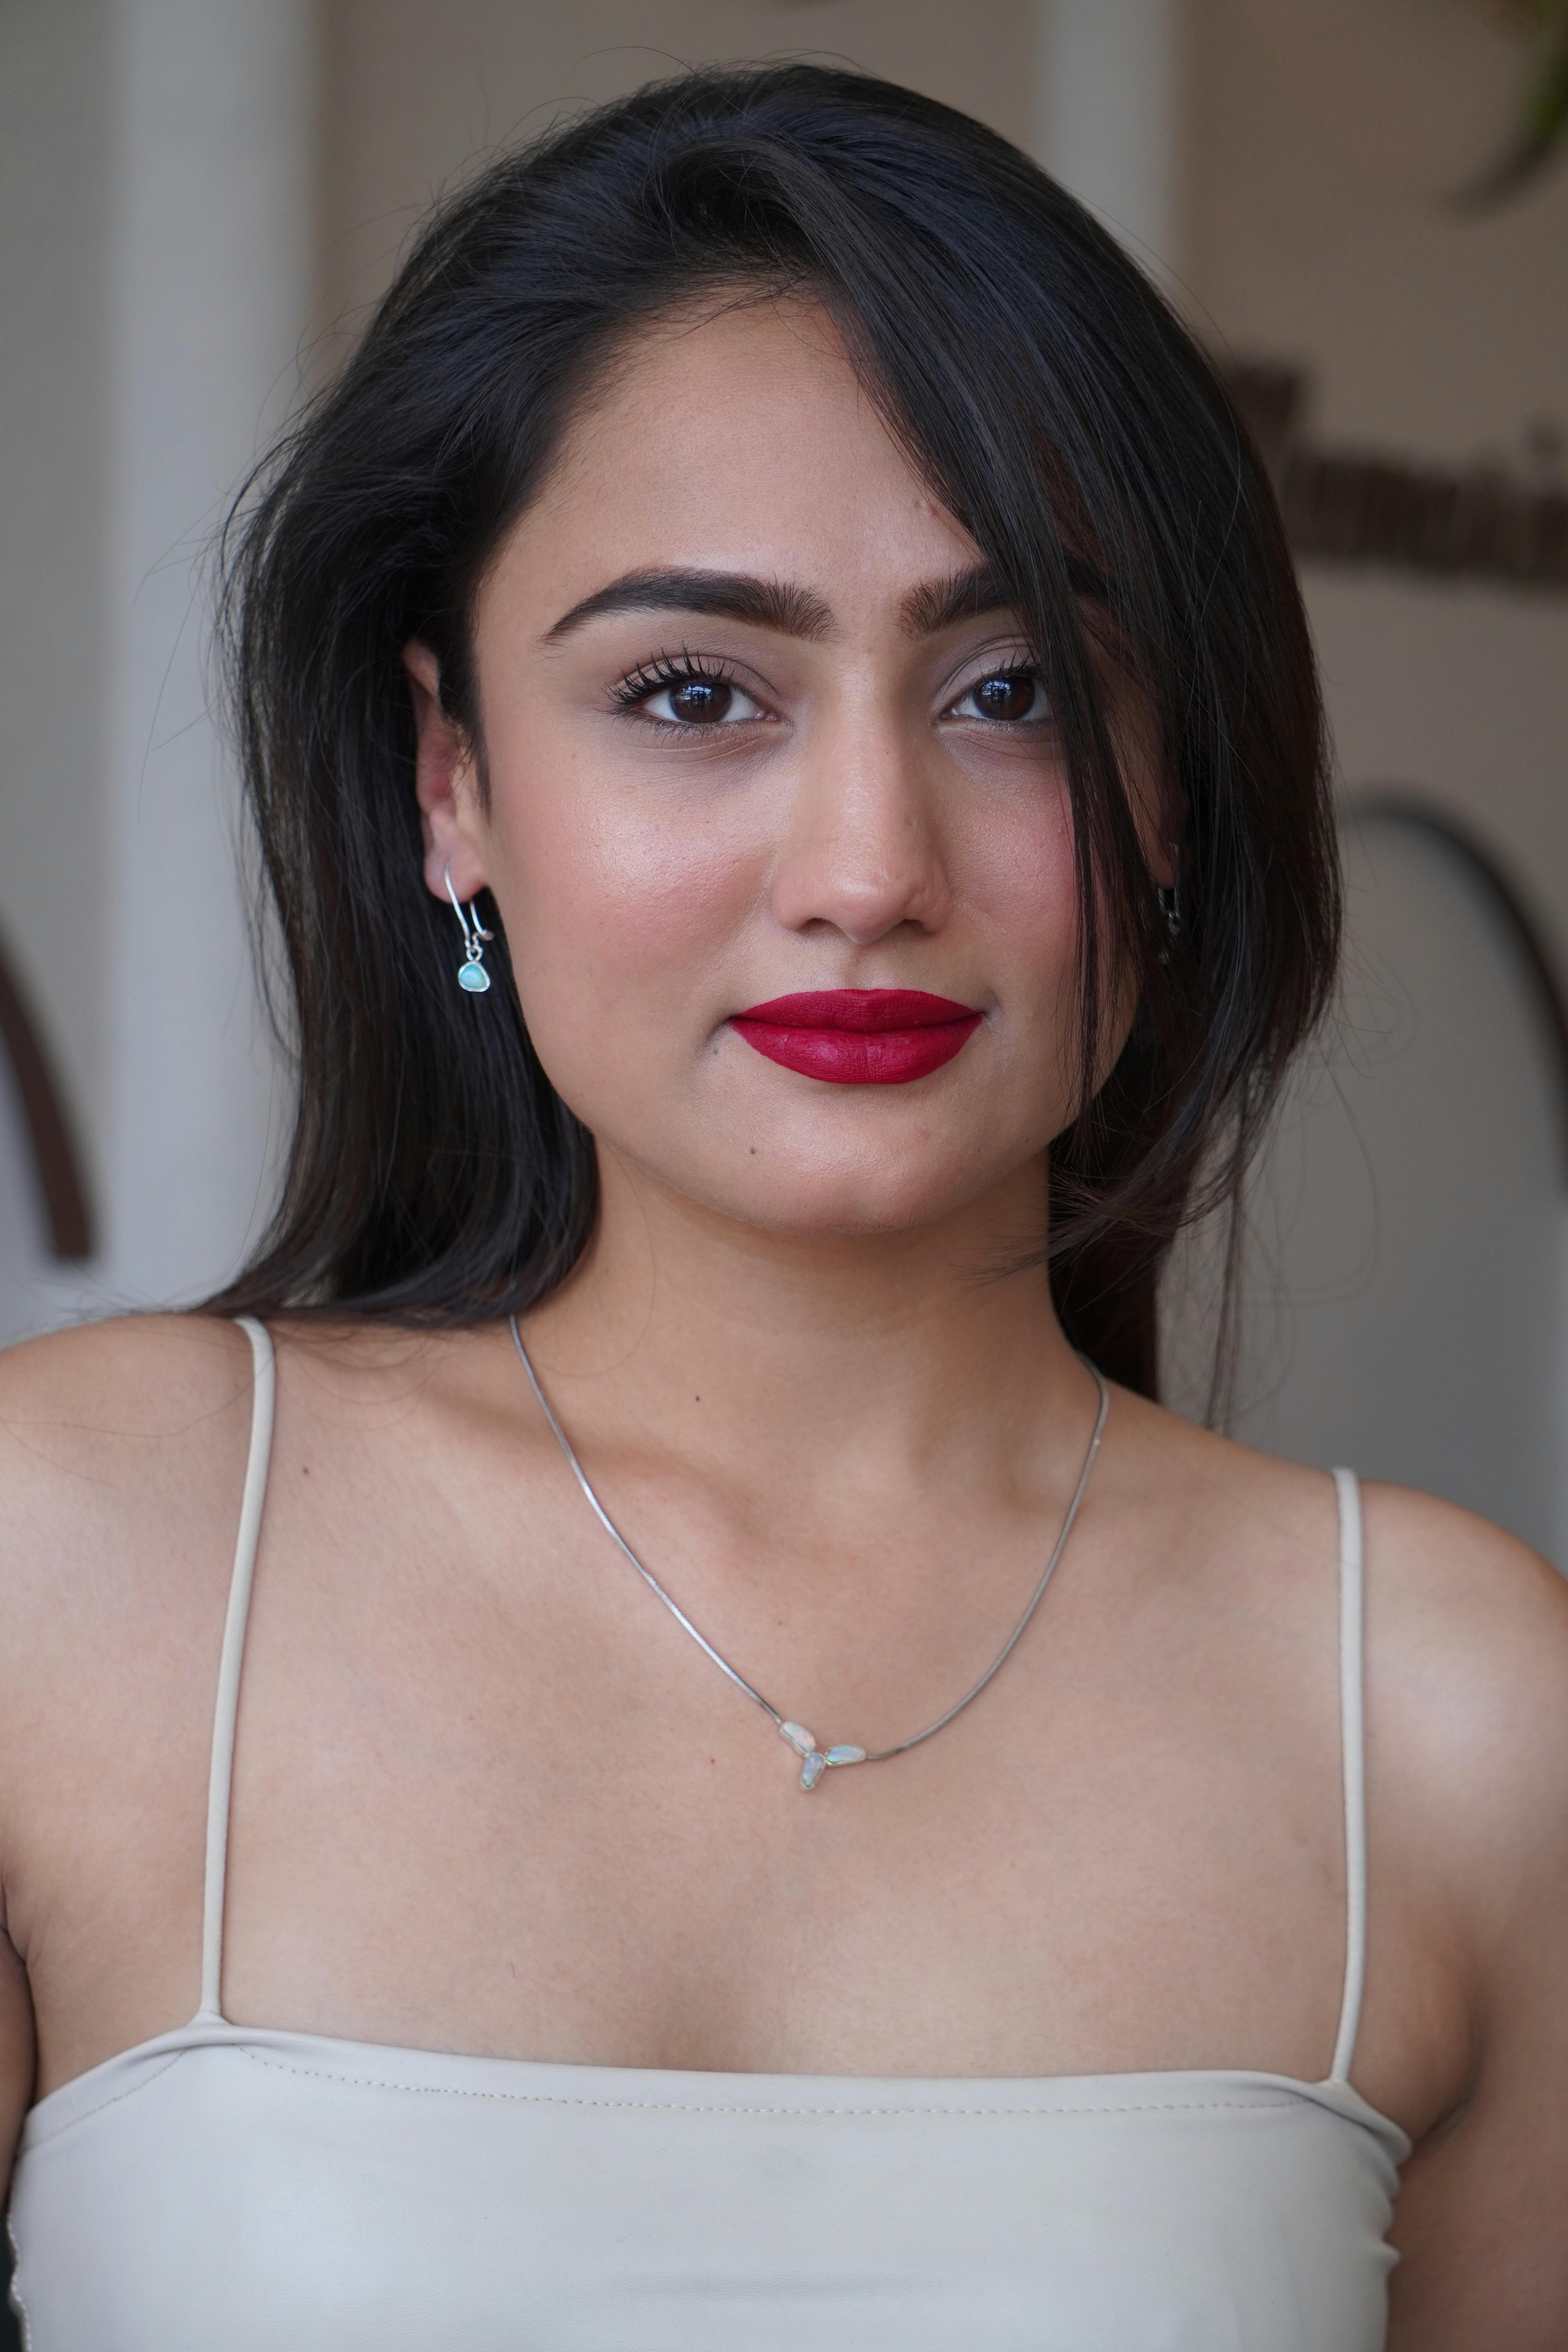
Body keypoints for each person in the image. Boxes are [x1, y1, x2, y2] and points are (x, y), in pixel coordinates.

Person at [2, 63, 1565, 2351]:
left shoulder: (1459, 1714)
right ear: (453, 780)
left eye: (1012, 686)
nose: (866, 869)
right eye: (693, 691)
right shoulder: (73, 1563)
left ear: (1170, 788)